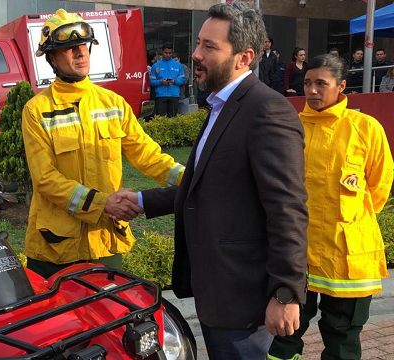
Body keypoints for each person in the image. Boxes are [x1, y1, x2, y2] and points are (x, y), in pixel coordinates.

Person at [120, 3, 309, 358]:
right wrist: (142, 201)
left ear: (244, 57)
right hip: (217, 291)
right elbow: (209, 187)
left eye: (209, 46)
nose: (195, 54)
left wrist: (286, 292)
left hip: (243, 296)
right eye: (198, 43)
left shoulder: (267, 110)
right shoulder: (221, 107)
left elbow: (288, 209)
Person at [21, 9, 186, 279]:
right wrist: (102, 204)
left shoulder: (113, 103)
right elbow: (45, 179)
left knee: (109, 317)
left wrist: (191, 178)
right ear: (51, 57)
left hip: (104, 240)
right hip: (54, 248)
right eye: (69, 48)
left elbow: (147, 155)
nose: (80, 53)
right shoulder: (37, 110)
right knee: (55, 321)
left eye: (83, 47)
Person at [268, 54, 393, 360]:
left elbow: (379, 185)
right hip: (299, 255)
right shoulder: (290, 128)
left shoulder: (366, 128)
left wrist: (350, 220)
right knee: (286, 333)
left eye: (321, 84)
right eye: (307, 83)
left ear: (341, 87)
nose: (312, 90)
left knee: (343, 337)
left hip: (348, 256)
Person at [150, 42, 187, 117]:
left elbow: (183, 80)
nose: (168, 55)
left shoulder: (178, 65)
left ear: (172, 52)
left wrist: (174, 81)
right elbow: (151, 81)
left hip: (174, 95)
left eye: (170, 53)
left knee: (173, 119)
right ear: (162, 52)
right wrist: (160, 82)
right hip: (160, 95)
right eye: (166, 53)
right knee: (161, 119)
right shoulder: (156, 66)